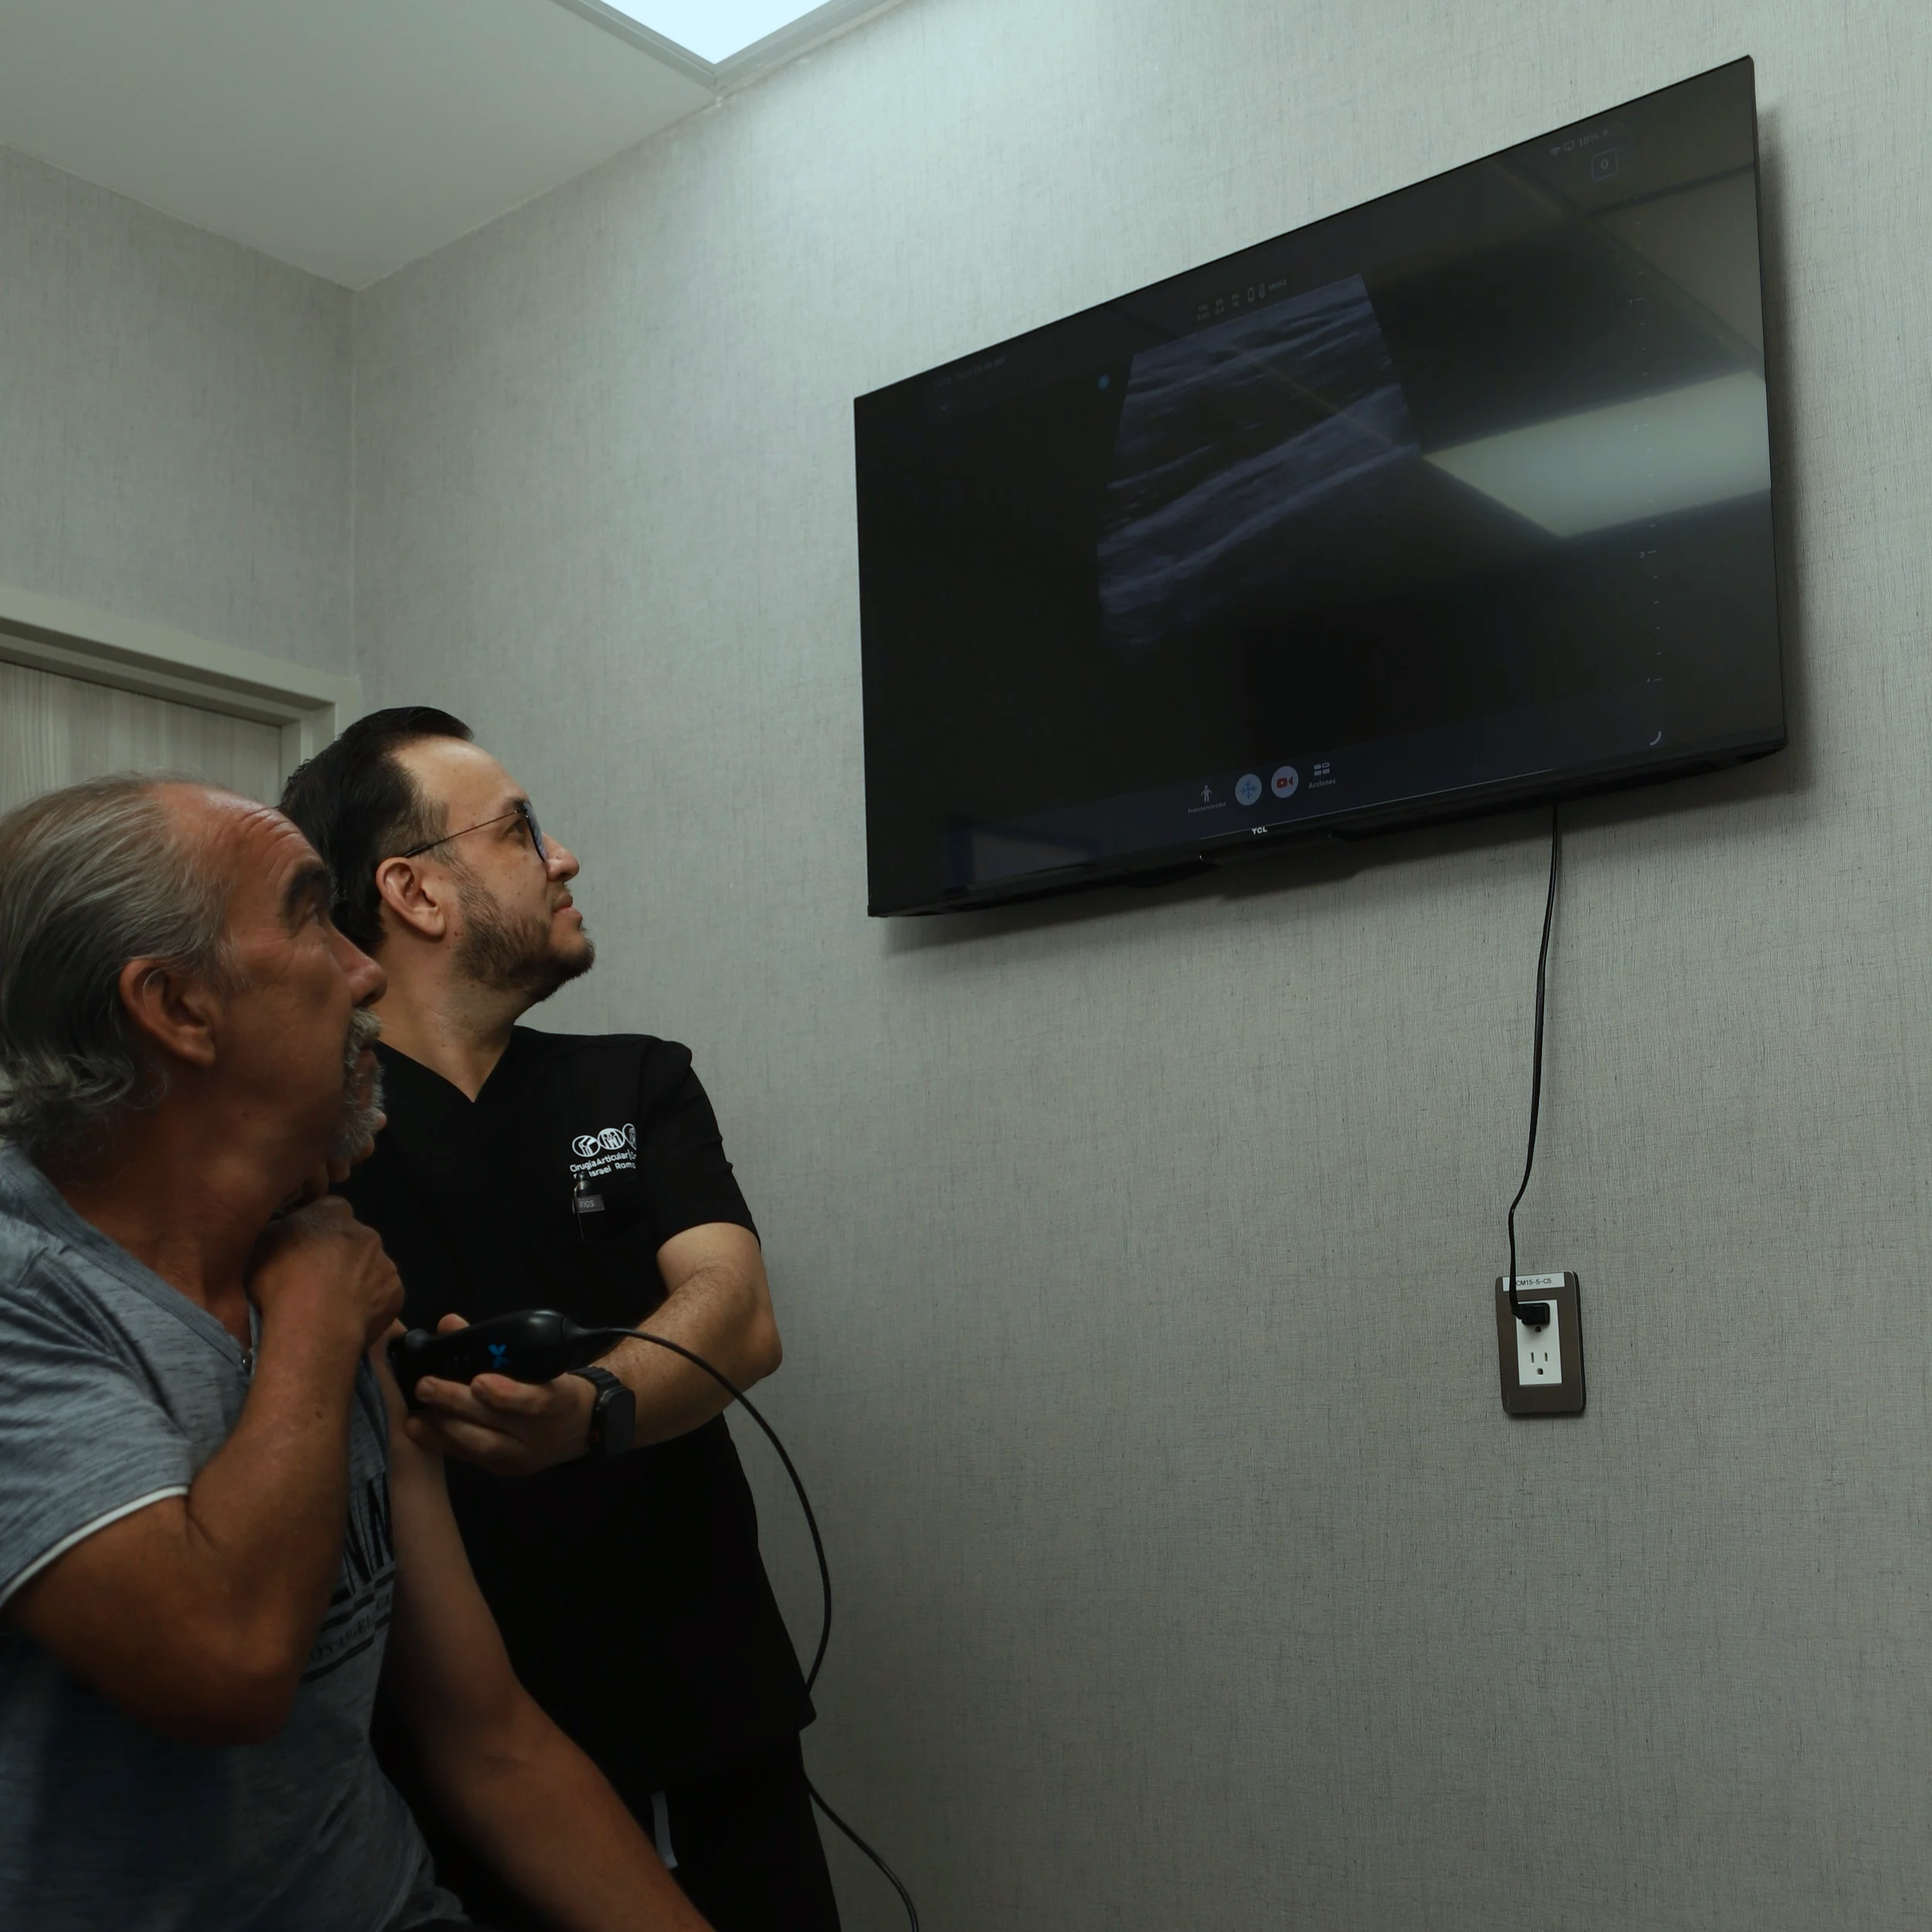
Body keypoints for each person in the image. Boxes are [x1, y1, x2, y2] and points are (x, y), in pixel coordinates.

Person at [0, 774, 713, 1932]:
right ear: (177, 1007)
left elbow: (491, 1745)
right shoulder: (32, 1288)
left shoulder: (314, 1264)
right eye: (308, 919)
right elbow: (222, 1664)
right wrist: (324, 1323)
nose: (367, 970)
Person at [281, 711, 837, 1932]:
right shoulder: (317, 1141)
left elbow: (737, 1316)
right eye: (522, 828)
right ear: (414, 892)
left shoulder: (634, 1081)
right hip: (463, 1754)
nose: (564, 855)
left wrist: (585, 1413)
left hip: (711, 1709)